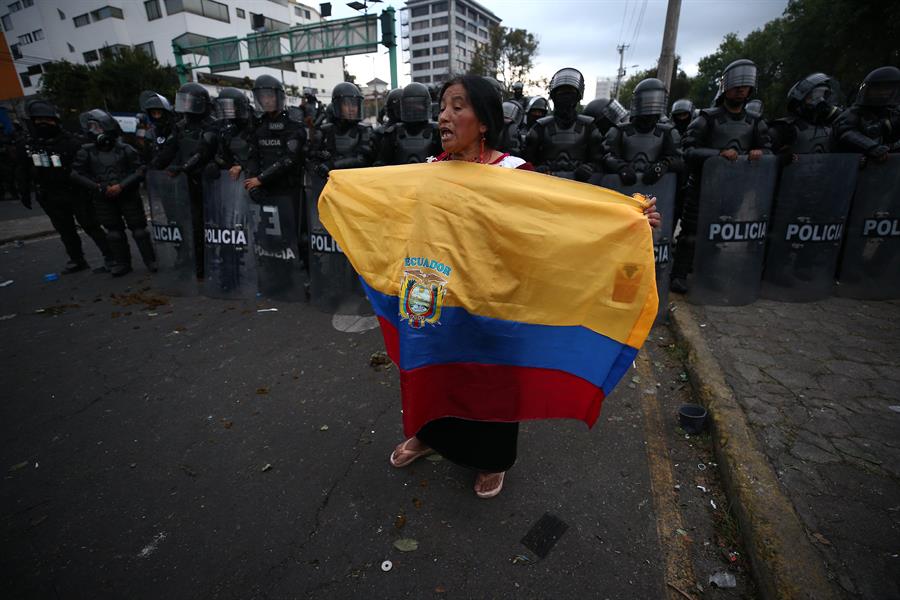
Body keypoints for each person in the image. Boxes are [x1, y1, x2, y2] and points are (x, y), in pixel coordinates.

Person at [388, 74, 660, 499]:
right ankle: (429, 435)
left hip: (497, 301)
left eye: (457, 106)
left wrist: (624, 221)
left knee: (491, 380)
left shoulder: (515, 173)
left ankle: (493, 459)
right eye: (442, 106)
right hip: (436, 296)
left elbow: (556, 222)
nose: (444, 115)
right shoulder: (428, 172)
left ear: (483, 122)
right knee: (432, 367)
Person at [670, 58, 771, 294]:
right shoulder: (707, 119)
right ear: (727, 88)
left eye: (745, 87)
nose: (741, 91)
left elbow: (768, 149)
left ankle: (709, 273)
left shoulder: (754, 122)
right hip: (702, 187)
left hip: (735, 188)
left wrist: (760, 153)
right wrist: (718, 154)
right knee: (691, 233)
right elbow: (688, 150)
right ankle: (680, 275)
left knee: (720, 232)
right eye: (737, 87)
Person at [18, 99, 112, 273]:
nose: (43, 124)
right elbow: (23, 168)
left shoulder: (71, 142)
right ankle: (77, 259)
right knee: (65, 230)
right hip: (49, 194)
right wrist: (24, 191)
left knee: (90, 225)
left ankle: (111, 256)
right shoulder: (29, 145)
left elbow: (87, 167)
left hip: (75, 192)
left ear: (55, 121)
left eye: (47, 120)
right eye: (39, 121)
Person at [70, 109, 155, 277]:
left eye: (98, 127)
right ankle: (122, 263)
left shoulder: (125, 149)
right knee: (114, 232)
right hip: (103, 197)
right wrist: (99, 188)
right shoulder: (87, 151)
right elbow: (76, 174)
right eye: (92, 127)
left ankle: (150, 260)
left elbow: (140, 169)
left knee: (139, 230)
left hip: (128, 194)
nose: (96, 131)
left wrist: (122, 186)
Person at [155, 82, 218, 279]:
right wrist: (149, 168)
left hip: (207, 183)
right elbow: (168, 150)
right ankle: (192, 261)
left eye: (190, 102)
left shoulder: (212, 125)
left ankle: (208, 263)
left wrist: (183, 168)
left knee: (207, 226)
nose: (186, 106)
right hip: (184, 184)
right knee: (185, 224)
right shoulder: (180, 126)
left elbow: (203, 152)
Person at [524, 68, 605, 181]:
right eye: (561, 93)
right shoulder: (540, 127)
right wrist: (537, 169)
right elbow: (525, 163)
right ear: (554, 97)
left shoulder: (588, 127)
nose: (566, 97)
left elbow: (601, 162)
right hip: (546, 187)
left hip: (580, 188)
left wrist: (589, 168)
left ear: (577, 97)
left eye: (570, 93)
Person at [603, 78, 681, 186]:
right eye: (648, 101)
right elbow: (607, 156)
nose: (650, 107)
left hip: (658, 191)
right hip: (622, 189)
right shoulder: (619, 131)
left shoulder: (667, 132)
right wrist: (621, 167)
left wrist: (663, 166)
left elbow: (679, 159)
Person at [833, 65, 900, 161]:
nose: (883, 92)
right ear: (868, 90)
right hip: (852, 169)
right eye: (877, 88)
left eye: (887, 88)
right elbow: (844, 131)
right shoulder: (855, 112)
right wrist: (872, 147)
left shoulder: (893, 111)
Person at [310, 82, 374, 178]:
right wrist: (321, 157)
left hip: (356, 180)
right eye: (347, 104)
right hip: (331, 183)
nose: (351, 109)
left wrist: (332, 164)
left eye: (354, 105)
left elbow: (361, 159)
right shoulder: (325, 131)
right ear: (337, 106)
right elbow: (312, 156)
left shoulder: (364, 130)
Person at [770, 73, 842, 158]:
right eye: (816, 96)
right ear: (801, 99)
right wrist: (780, 158)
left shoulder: (833, 130)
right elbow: (762, 155)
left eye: (824, 95)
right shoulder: (785, 128)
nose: (821, 100)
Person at [375, 82, 441, 165]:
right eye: (410, 104)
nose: (415, 108)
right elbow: (381, 163)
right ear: (403, 106)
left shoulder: (436, 131)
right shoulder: (393, 133)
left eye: (419, 104)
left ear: (426, 105)